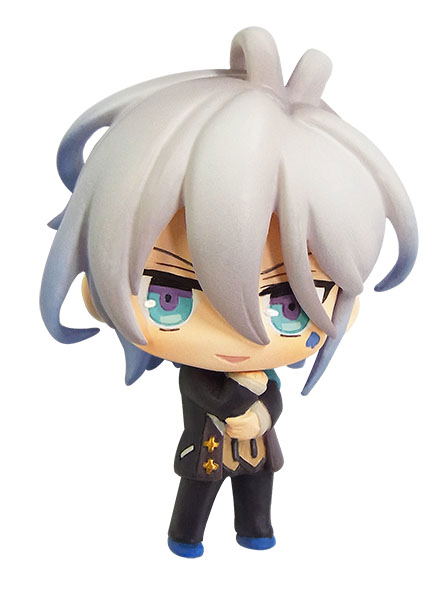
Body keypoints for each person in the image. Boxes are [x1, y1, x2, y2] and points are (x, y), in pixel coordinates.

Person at [40, 27, 418, 557]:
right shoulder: (203, 374)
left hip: (256, 452)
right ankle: (186, 537)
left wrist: (263, 414)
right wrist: (247, 403)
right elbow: (207, 392)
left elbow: (271, 395)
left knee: (256, 491)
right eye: (169, 295)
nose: (242, 328)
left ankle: (255, 530)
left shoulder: (262, 372)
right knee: (197, 497)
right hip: (207, 452)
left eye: (289, 305)